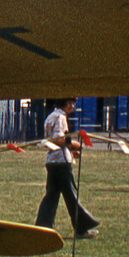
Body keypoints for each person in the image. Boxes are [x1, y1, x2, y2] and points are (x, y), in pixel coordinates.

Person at [35, 99, 100, 238]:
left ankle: (42, 228)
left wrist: (70, 152)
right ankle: (82, 229)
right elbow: (59, 139)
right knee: (71, 195)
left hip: (52, 160)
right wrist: (75, 144)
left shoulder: (51, 116)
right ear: (62, 103)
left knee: (51, 196)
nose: (72, 106)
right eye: (69, 103)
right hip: (61, 163)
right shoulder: (60, 117)